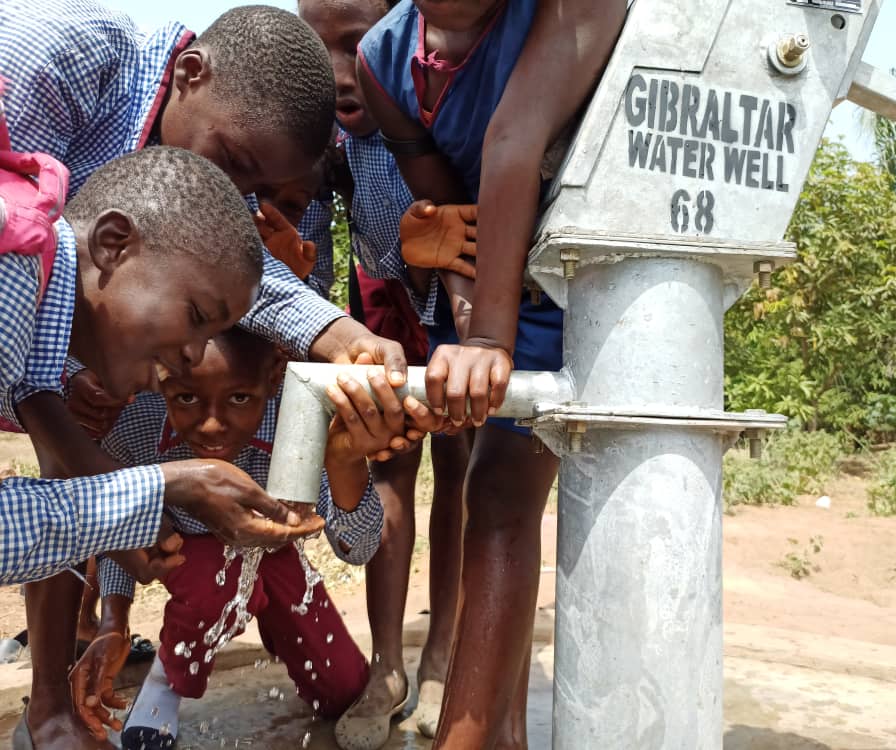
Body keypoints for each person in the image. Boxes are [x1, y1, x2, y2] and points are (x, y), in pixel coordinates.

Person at [0, 5, 409, 746]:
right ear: (191, 75)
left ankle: (50, 714)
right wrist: (153, 492)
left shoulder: (61, 286)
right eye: (234, 165)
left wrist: (339, 332)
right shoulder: (46, 68)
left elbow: (202, 263)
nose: (189, 361)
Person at [358, 1, 625, 747]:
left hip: (578, 272)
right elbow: (446, 205)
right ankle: (500, 728)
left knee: (501, 491)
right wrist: (469, 311)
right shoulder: (384, 62)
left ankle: (467, 738)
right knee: (479, 490)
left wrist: (490, 338)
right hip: (489, 278)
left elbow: (514, 135)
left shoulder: (573, 8)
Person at [69, 327, 439, 749]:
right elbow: (118, 526)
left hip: (274, 554)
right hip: (194, 561)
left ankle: (262, 604)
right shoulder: (137, 426)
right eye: (186, 398)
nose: (211, 423)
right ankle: (164, 684)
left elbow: (359, 547)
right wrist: (114, 618)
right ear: (161, 377)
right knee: (214, 581)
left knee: (344, 691)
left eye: (239, 399)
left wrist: (342, 462)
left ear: (275, 376)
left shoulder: (299, 423)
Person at [0, 146, 326, 584]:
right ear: (112, 245)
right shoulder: (10, 276)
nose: (193, 355)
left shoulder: (34, 309)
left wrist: (123, 514)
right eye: (195, 316)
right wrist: (165, 487)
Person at [298, 1, 477, 745]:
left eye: (358, 46)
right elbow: (311, 243)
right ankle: (388, 665)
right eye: (321, 51)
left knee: (463, 472)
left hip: (460, 303)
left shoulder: (439, 107)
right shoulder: (328, 138)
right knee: (386, 471)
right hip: (381, 307)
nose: (343, 74)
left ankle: (441, 660)